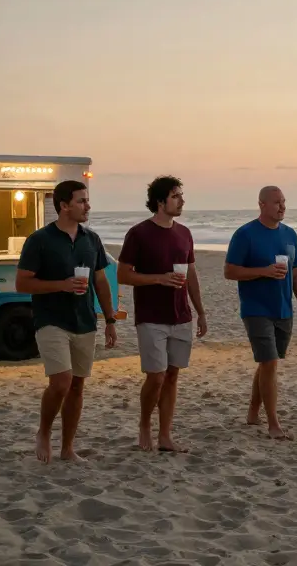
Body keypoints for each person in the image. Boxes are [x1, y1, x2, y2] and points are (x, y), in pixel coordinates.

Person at [15, 179, 118, 464]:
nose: (88, 206)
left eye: (87, 200)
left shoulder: (91, 239)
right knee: (61, 382)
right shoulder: (39, 240)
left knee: (77, 387)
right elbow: (23, 283)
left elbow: (100, 281)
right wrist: (62, 285)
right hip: (51, 320)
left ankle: (68, 448)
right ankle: (44, 432)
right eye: (81, 201)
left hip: (84, 321)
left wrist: (110, 319)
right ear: (63, 206)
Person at [117, 176, 208, 454]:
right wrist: (159, 279)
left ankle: (165, 435)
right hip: (151, 316)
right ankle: (145, 425)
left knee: (172, 376)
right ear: (160, 201)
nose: (182, 200)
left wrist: (201, 312)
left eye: (181, 195)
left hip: (181, 315)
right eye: (176, 196)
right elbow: (123, 274)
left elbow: (191, 274)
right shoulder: (139, 233)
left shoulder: (184, 233)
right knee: (155, 376)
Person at [224, 186, 297, 440]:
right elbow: (230, 271)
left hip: (284, 308)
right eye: (276, 203)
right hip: (255, 309)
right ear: (261, 204)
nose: (282, 207)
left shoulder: (290, 234)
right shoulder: (245, 234)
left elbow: (295, 272)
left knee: (267, 363)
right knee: (269, 363)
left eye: (284, 202)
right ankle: (273, 423)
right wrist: (264, 271)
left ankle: (253, 411)